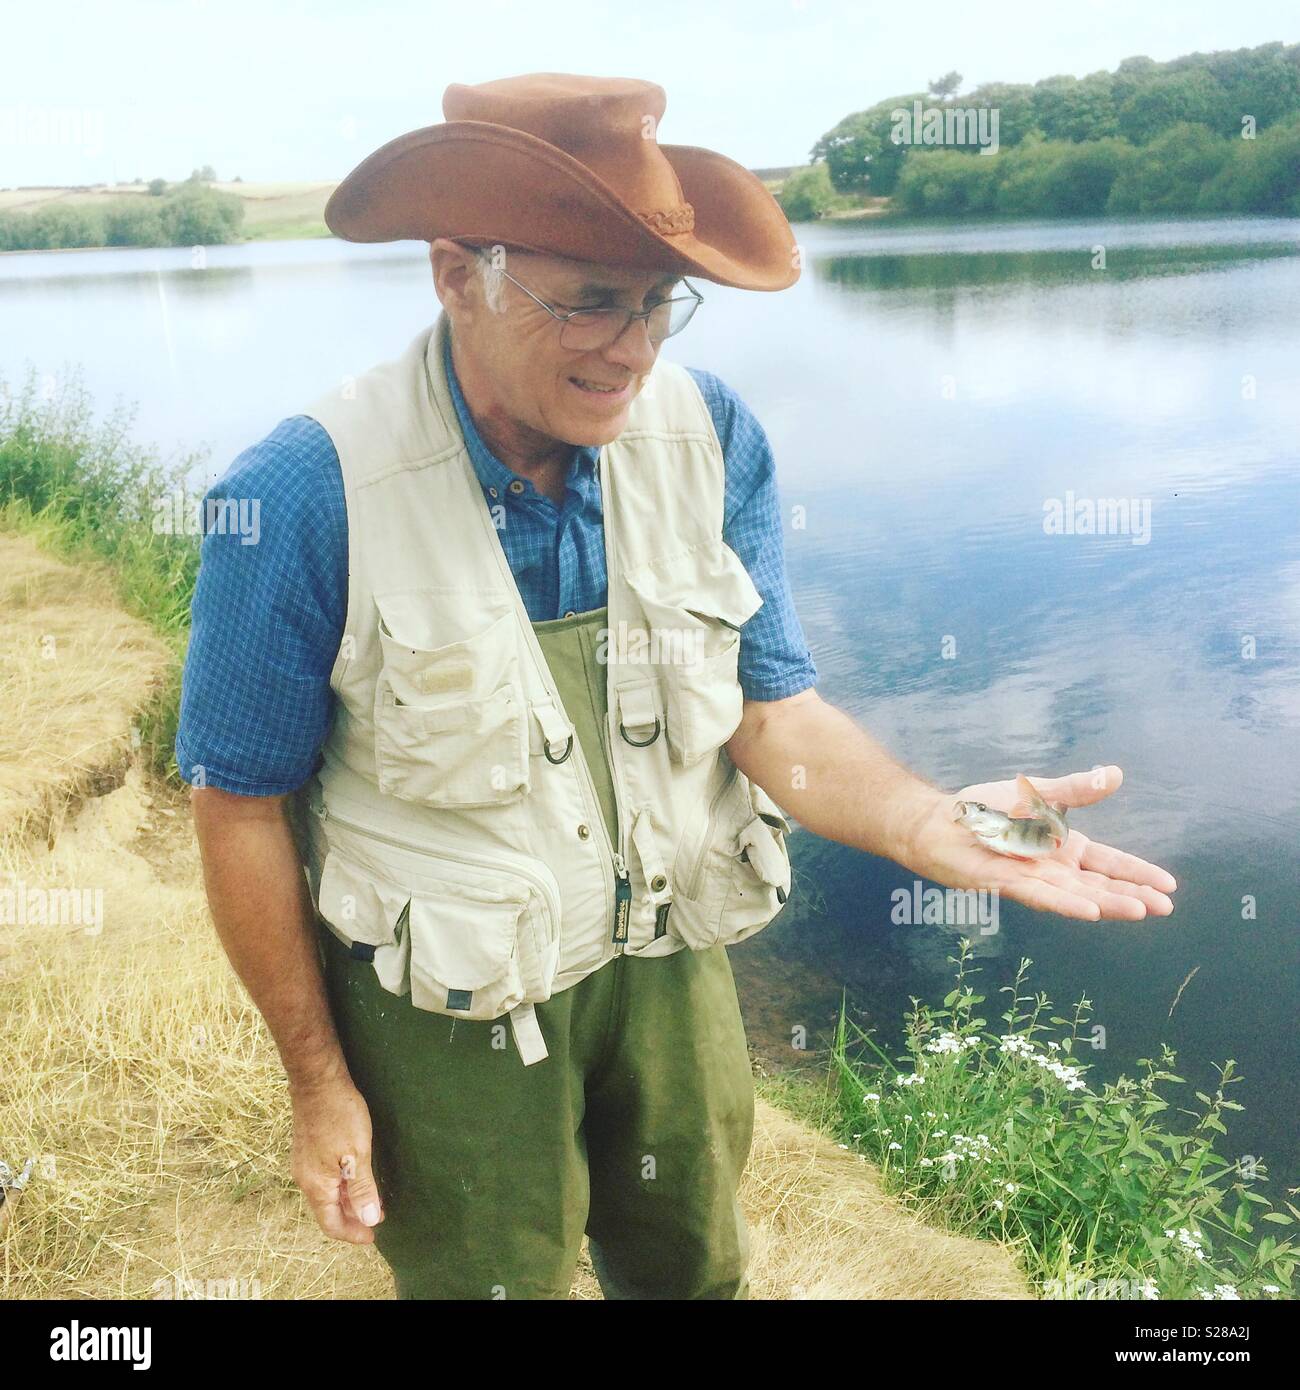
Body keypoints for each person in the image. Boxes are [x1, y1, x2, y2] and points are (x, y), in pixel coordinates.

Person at [176, 72, 1178, 1301]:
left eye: (661, 304)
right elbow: (239, 809)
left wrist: (927, 823)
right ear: (456, 274)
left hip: (667, 966)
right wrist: (320, 1082)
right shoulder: (295, 496)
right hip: (449, 1011)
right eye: (589, 302)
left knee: (696, 1273)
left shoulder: (714, 436)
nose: (634, 350)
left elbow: (770, 711)